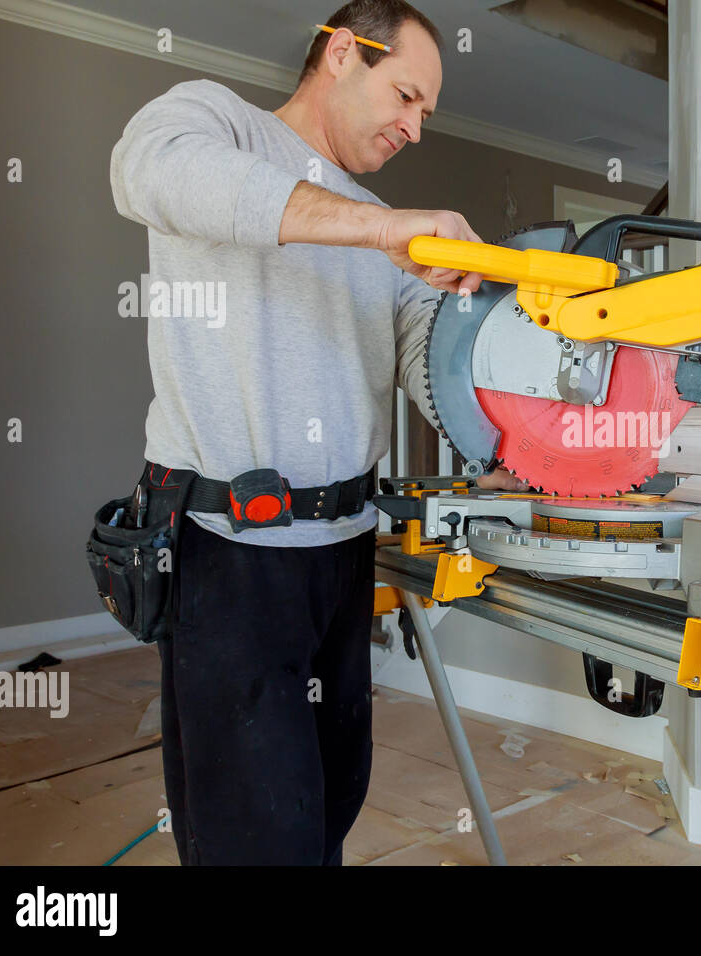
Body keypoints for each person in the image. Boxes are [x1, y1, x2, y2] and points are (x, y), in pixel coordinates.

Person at [110, 0, 522, 865]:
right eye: (406, 95)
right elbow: (148, 175)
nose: (415, 128)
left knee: (329, 798)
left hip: (343, 549)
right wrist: (382, 231)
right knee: (254, 830)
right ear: (343, 52)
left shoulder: (387, 237)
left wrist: (524, 433)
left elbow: (436, 365)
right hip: (231, 550)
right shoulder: (213, 123)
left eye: (427, 115)